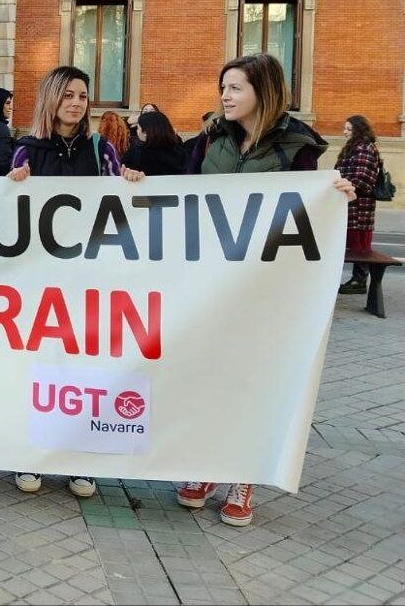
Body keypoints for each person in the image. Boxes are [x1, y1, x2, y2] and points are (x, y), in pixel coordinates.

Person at [175, 53, 354, 527]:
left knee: (250, 378)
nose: (225, 97)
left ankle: (243, 474)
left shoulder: (298, 148)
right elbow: (180, 194)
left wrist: (338, 199)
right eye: (224, 88)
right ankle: (205, 464)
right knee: (207, 375)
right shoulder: (211, 140)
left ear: (263, 91)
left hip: (264, 290)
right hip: (209, 284)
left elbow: (312, 206)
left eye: (234, 88)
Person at [6, 65, 144, 498]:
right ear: (50, 99)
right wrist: (11, 186)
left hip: (87, 278)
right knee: (38, 368)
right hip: (37, 282)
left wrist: (132, 182)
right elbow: (8, 213)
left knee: (84, 368)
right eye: (67, 95)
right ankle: (30, 454)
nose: (76, 103)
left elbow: (119, 198)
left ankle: (80, 460)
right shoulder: (26, 151)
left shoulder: (101, 149)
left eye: (82, 96)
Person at [335, 115, 383, 295]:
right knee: (353, 245)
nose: (344, 132)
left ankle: (360, 281)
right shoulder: (354, 148)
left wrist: (344, 185)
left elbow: (363, 179)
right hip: (350, 206)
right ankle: (357, 280)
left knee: (360, 246)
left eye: (348, 129)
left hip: (359, 208)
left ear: (358, 129)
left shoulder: (365, 148)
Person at [122, 110, 187, 175]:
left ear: (145, 132)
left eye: (138, 128)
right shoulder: (180, 151)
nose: (137, 131)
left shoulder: (139, 153)